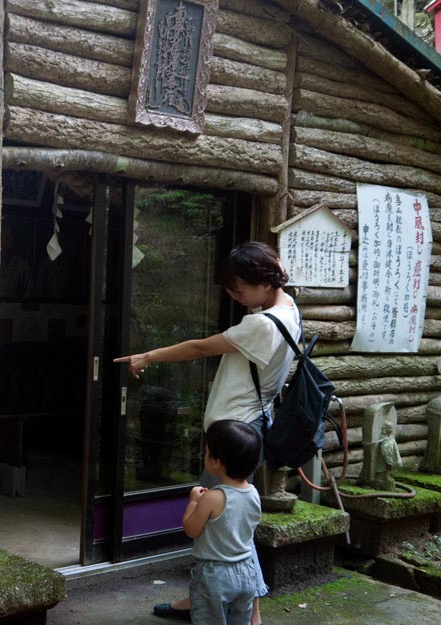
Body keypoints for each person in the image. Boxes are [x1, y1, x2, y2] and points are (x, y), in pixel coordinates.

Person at [114, 241, 299, 625]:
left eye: (239, 288)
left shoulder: (260, 324)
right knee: (238, 530)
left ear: (264, 282)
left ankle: (218, 607)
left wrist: (148, 356)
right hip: (251, 428)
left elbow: (200, 348)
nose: (235, 296)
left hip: (235, 433)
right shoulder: (288, 309)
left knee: (213, 531)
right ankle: (248, 610)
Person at [183, 420, 263, 625]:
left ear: (217, 462)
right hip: (246, 570)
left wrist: (193, 501)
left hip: (214, 574)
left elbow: (191, 529)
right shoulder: (253, 493)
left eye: (207, 451)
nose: (204, 454)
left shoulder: (213, 498)